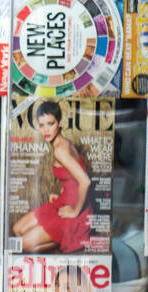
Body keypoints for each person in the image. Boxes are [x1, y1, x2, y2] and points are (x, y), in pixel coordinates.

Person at [11, 101, 92, 253]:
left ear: (60, 123)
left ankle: (65, 239)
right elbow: (70, 176)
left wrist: (74, 211)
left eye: (50, 123)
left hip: (74, 209)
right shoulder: (60, 143)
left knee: (22, 244)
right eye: (41, 125)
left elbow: (85, 182)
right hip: (63, 201)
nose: (46, 130)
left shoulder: (60, 150)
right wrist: (62, 193)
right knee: (17, 229)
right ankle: (59, 238)